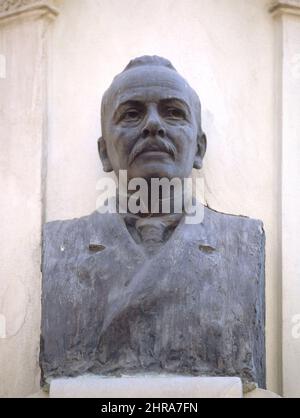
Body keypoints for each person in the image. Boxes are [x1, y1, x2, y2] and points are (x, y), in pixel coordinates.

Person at [41, 56, 265, 389]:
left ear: (199, 148)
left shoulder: (242, 244)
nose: (153, 125)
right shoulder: (61, 245)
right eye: (131, 114)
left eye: (173, 112)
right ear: (104, 153)